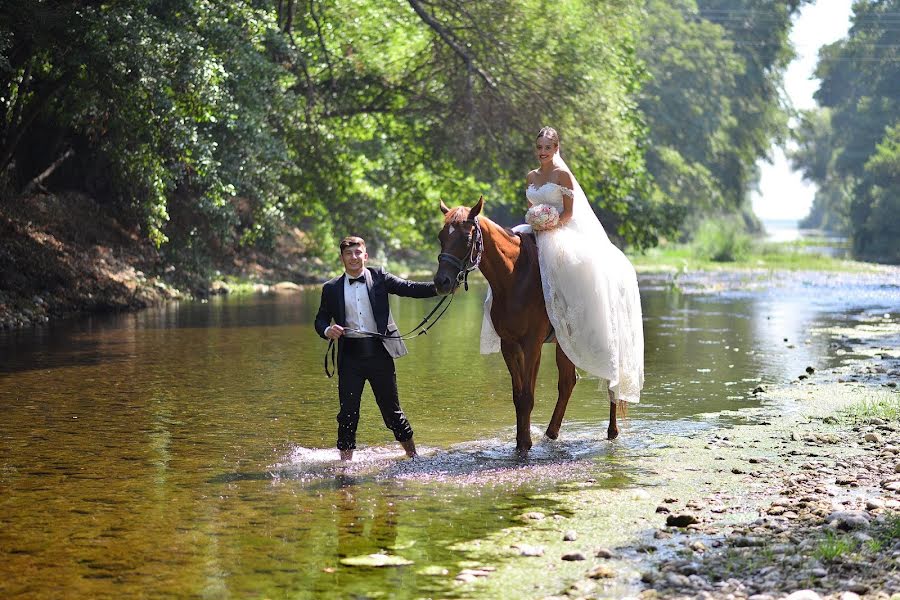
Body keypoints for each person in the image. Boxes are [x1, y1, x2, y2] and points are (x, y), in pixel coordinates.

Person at [481, 126, 644, 404]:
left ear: (556, 149)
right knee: (507, 262)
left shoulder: (562, 175)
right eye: (539, 148)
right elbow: (531, 206)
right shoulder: (531, 176)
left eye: (547, 147)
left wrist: (550, 223)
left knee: (568, 267)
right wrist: (535, 221)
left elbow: (569, 213)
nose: (542, 152)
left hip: (559, 231)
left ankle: (566, 322)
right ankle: (503, 314)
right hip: (534, 229)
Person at [315, 236, 438, 461]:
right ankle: (345, 466)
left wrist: (441, 288)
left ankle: (413, 457)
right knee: (348, 414)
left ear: (365, 255)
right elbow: (320, 319)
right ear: (341, 257)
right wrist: (327, 330)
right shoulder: (331, 288)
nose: (353, 257)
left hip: (380, 354)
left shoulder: (379, 276)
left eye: (357, 252)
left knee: (392, 413)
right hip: (349, 358)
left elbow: (409, 288)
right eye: (348, 253)